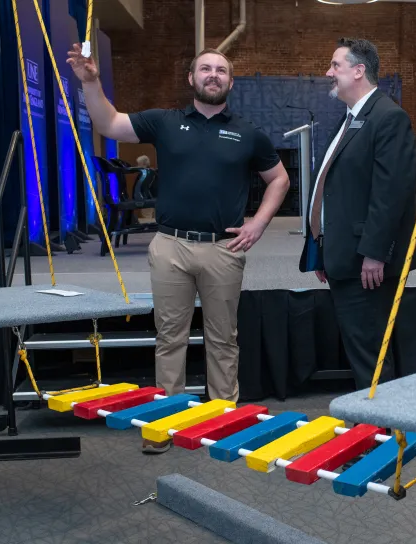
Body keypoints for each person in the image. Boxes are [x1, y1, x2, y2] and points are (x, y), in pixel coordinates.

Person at [67, 45, 290, 454]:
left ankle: (223, 421)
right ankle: (166, 421)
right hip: (170, 246)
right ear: (191, 78)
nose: (213, 75)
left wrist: (258, 223)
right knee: (170, 338)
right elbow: (109, 122)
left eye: (221, 70)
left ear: (230, 82)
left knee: (223, 339)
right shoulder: (164, 123)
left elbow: (279, 179)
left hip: (223, 250)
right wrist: (90, 82)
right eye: (205, 68)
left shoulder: (247, 132)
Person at [298, 38, 416, 390]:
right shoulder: (351, 119)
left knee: (371, 353)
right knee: (362, 350)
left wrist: (374, 253)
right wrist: (322, 248)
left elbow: (392, 194)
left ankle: (382, 434)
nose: (328, 73)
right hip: (345, 257)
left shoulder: (388, 117)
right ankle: (375, 429)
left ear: (358, 70)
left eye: (335, 65)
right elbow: (337, 191)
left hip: (367, 263)